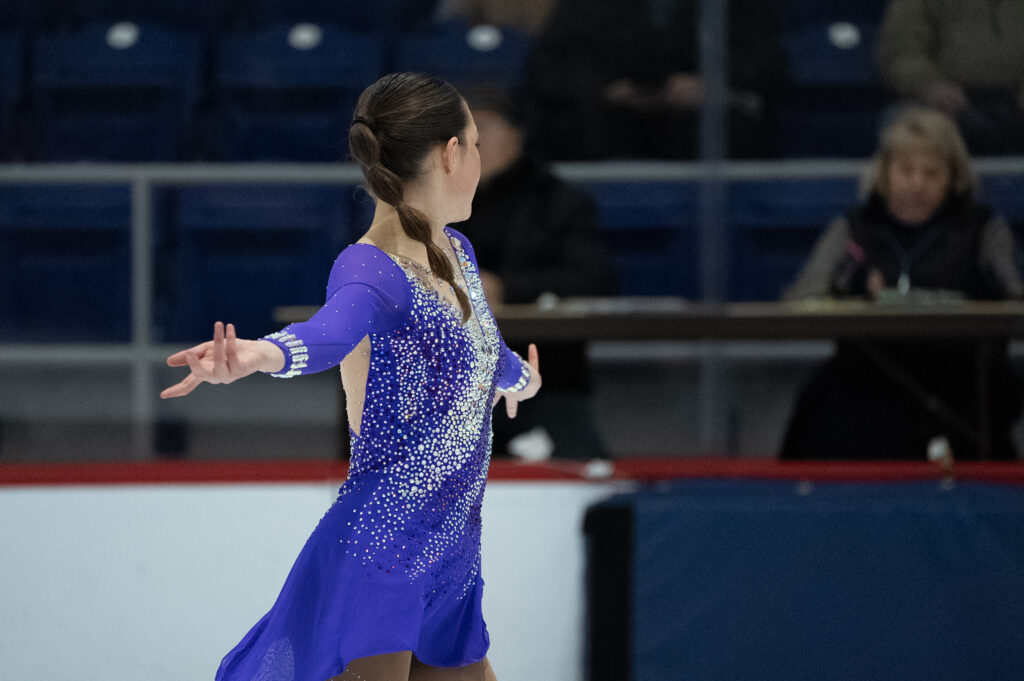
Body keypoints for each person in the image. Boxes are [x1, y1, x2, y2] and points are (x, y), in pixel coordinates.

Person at [161, 72, 542, 681]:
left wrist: (522, 380)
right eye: (474, 143)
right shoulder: (371, 268)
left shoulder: (459, 254)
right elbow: (328, 334)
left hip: (451, 553)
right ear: (450, 153)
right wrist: (260, 355)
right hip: (384, 550)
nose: (479, 158)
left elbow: (484, 351)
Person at [781, 107, 1023, 461]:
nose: (916, 184)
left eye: (931, 174)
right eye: (906, 171)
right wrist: (857, 292)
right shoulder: (855, 228)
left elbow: (1016, 299)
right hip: (870, 376)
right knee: (821, 397)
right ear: (885, 173)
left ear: (954, 179)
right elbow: (802, 299)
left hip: (959, 377)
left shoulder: (983, 229)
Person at [458, 89, 616, 461]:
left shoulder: (559, 202)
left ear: (518, 134)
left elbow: (594, 279)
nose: (474, 140)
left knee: (582, 472)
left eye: (485, 126)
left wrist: (505, 289)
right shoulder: (429, 204)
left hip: (548, 376)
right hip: (452, 382)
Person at [519, 0, 782, 160]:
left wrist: (712, 85)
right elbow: (553, 63)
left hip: (701, 126)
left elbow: (765, 61)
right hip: (609, 124)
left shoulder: (736, 7)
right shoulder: (590, 7)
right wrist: (605, 90)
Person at [877, 0, 1024, 155]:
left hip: (1015, 98)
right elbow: (902, 52)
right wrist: (931, 85)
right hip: (945, 101)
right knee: (900, 122)